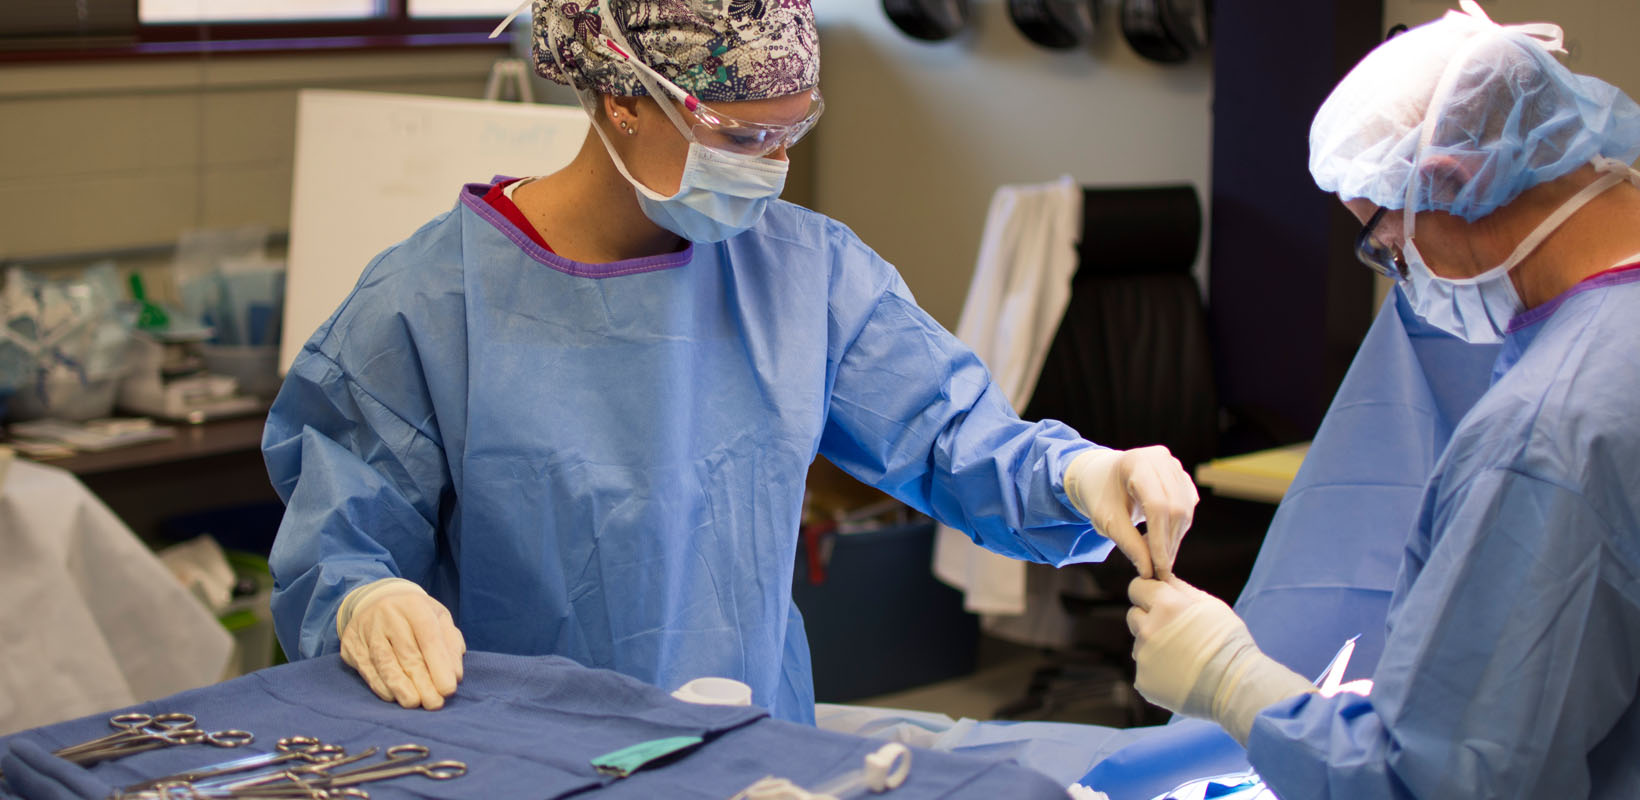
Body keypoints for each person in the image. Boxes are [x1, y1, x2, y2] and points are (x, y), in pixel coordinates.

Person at [265, 0, 1199, 726]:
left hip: (749, 751)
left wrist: (1081, 474)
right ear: (624, 98)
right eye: (743, 138)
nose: (771, 167)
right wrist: (365, 597)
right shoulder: (432, 301)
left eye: (791, 134)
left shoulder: (804, 273)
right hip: (521, 757)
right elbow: (340, 536)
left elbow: (950, 436)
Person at [1124, 2, 1640, 797]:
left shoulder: (1546, 433)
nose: (1404, 276)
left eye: (1390, 244)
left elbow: (1436, 783)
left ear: (1456, 179)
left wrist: (1228, 678)